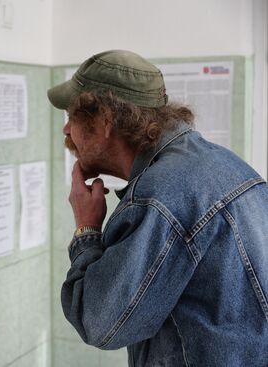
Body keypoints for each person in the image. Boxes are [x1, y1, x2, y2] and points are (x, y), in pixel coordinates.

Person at [48, 50, 268, 367]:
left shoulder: (159, 198)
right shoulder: (228, 166)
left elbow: (100, 324)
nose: (66, 130)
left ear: (104, 121)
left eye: (72, 117)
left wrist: (87, 229)